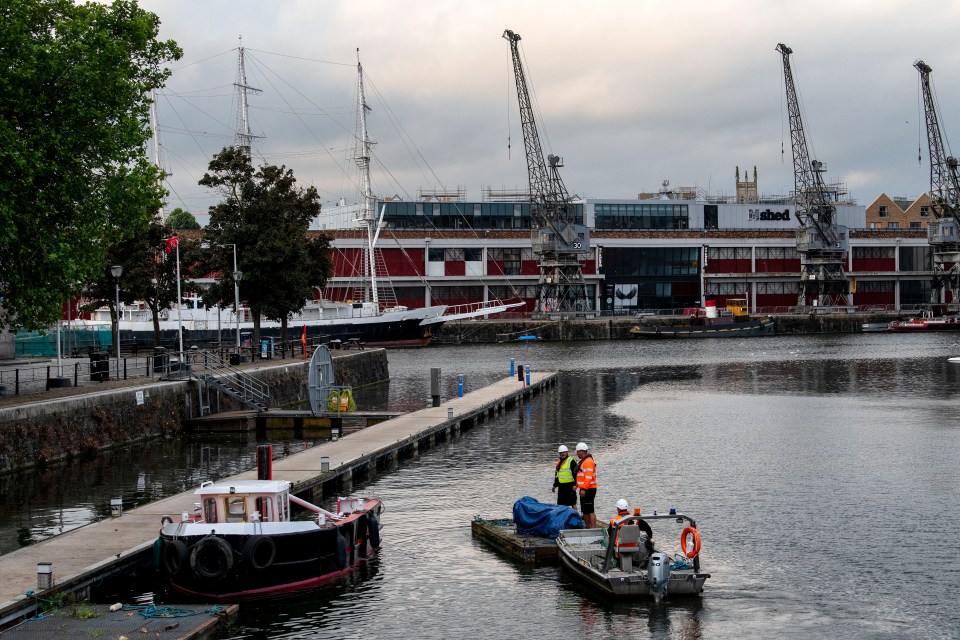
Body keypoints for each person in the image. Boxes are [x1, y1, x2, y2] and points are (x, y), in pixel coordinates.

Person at [575, 442, 597, 528]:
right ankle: (588, 527)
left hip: (589, 489)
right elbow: (582, 476)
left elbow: (588, 477)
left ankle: (593, 528)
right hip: (584, 489)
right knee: (585, 511)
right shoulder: (584, 461)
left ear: (581, 451)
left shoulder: (588, 462)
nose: (577, 454)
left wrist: (584, 489)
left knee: (590, 510)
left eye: (577, 452)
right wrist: (578, 486)